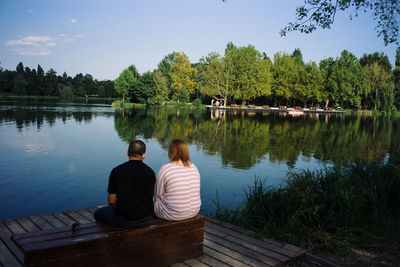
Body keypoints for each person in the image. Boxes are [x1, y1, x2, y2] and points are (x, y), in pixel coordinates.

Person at [94, 140, 156, 227]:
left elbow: (111, 200)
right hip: (146, 218)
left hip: (124, 220)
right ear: (144, 155)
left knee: (98, 213)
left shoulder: (117, 171)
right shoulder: (150, 172)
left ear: (127, 152)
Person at [154, 139, 201, 221]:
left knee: (154, 202)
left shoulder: (166, 169)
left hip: (172, 214)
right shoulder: (194, 167)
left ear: (171, 152)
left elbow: (158, 194)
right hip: (194, 211)